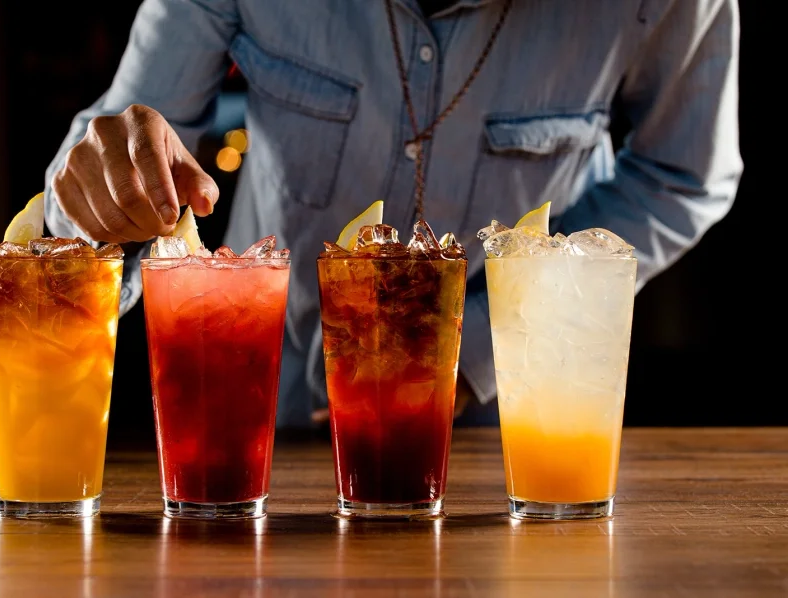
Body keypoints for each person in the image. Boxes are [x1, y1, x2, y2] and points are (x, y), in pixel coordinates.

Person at [44, 0, 743, 429]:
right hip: (271, 423)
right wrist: (100, 196)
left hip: (518, 437)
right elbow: (113, 146)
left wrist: (473, 359)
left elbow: (684, 177)